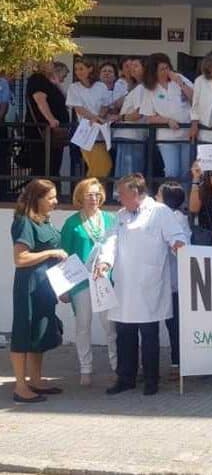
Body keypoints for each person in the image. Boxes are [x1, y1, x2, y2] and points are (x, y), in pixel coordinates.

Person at [96, 174, 188, 396]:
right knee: (124, 333)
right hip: (125, 284)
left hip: (149, 283)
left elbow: (177, 236)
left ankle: (151, 380)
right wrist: (105, 261)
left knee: (149, 335)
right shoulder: (120, 215)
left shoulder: (160, 211)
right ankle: (125, 378)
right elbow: (111, 241)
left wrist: (178, 245)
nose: (119, 198)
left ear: (135, 193)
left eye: (122, 194)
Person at [9, 179, 67, 403]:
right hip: (30, 285)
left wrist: (61, 289)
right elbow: (20, 258)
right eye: (50, 197)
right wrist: (51, 254)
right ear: (37, 198)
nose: (55, 201)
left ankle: (35, 379)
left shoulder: (46, 222)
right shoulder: (24, 222)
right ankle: (21, 387)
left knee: (40, 334)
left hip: (46, 285)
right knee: (24, 332)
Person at [59, 178, 117, 387]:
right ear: (80, 197)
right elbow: (63, 255)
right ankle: (85, 368)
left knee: (110, 326)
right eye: (89, 194)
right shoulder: (72, 223)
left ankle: (116, 366)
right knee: (83, 326)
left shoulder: (111, 219)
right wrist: (63, 287)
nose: (93, 198)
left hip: (104, 280)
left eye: (96, 194)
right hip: (80, 283)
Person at [139, 53, 194, 182]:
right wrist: (167, 120)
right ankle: (172, 199)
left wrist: (180, 83)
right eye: (162, 69)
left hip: (187, 133)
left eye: (167, 68)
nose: (166, 72)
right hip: (167, 136)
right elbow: (148, 117)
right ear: (154, 72)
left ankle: (186, 200)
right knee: (172, 170)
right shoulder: (149, 88)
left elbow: (195, 98)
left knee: (187, 171)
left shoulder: (179, 78)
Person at [156, 181, 190, 382]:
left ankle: (178, 363)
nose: (155, 198)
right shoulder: (166, 217)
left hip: (174, 281)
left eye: (159, 194)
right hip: (163, 280)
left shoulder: (176, 219)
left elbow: (180, 247)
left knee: (174, 324)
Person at [66, 56, 116, 178]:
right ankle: (89, 192)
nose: (78, 72)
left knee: (101, 166)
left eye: (81, 69)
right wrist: (94, 118)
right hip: (86, 131)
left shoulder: (100, 86)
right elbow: (78, 108)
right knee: (103, 166)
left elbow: (106, 105)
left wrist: (99, 117)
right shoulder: (74, 87)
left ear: (90, 69)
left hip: (101, 132)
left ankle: (91, 192)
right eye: (76, 69)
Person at [23, 62, 70, 182]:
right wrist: (51, 119)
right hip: (43, 132)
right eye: (48, 62)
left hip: (54, 134)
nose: (52, 64)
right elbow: (40, 100)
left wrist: (57, 83)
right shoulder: (37, 79)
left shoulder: (50, 82)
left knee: (53, 167)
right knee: (42, 168)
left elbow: (65, 99)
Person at [113, 76, 147, 180]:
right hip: (128, 137)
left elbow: (138, 113)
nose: (126, 84)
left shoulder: (140, 89)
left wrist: (120, 117)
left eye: (126, 81)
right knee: (125, 173)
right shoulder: (133, 91)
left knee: (128, 173)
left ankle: (127, 194)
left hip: (131, 137)